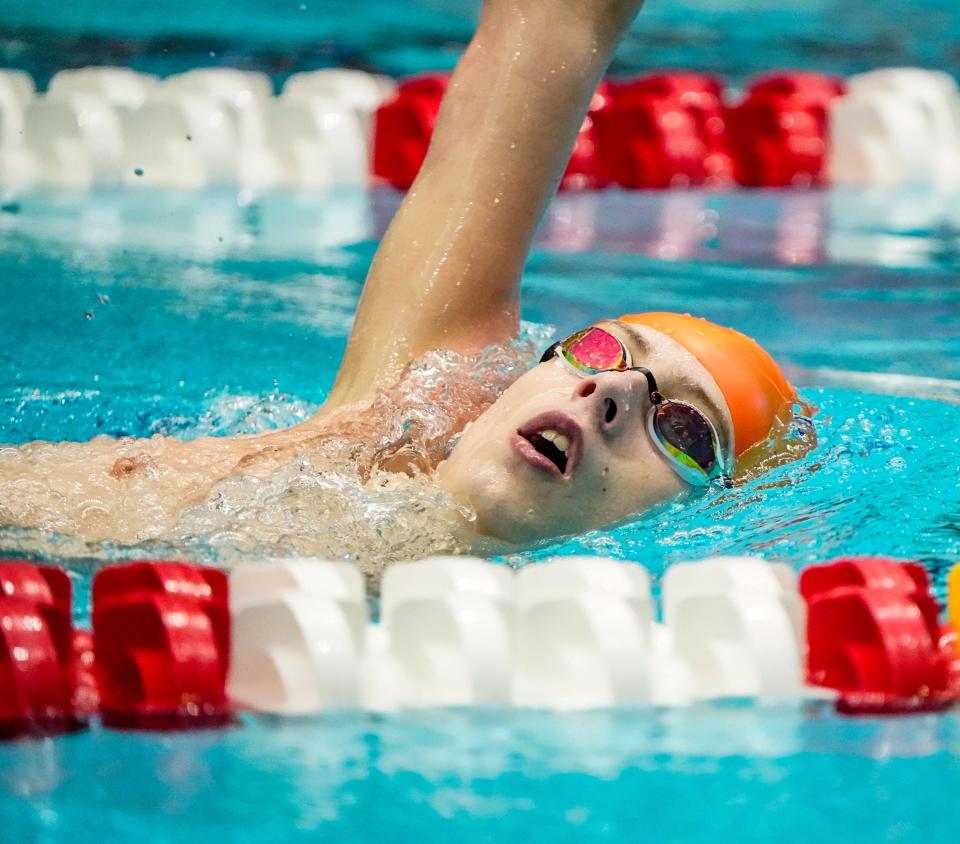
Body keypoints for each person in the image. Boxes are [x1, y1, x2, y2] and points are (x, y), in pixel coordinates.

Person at [0, 0, 803, 562]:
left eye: (687, 432)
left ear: (708, 519)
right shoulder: (396, 418)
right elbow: (554, 20)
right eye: (599, 350)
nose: (612, 395)